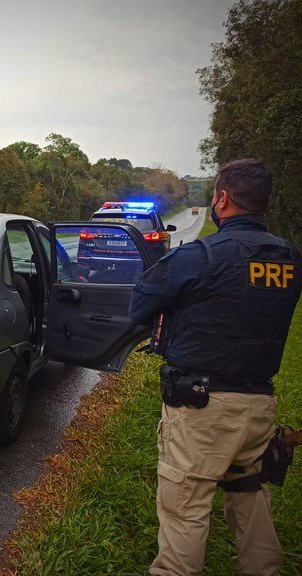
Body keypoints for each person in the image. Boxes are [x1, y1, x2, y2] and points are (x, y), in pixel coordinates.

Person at [130, 158, 302, 575]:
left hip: (201, 409)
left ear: (222, 199)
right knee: (249, 491)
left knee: (185, 505)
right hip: (259, 404)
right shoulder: (290, 259)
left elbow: (140, 305)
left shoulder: (200, 256)